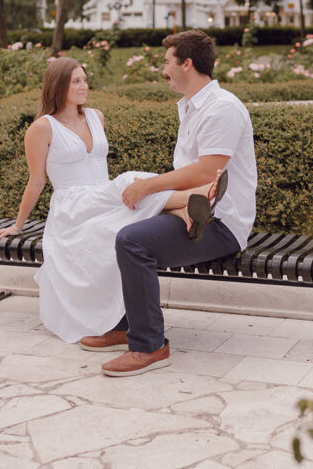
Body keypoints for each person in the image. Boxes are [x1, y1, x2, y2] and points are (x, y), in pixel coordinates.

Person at [0, 57, 223, 343]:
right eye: (76, 81)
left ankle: (187, 209)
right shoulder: (42, 128)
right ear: (57, 85)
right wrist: (18, 225)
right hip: (72, 207)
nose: (83, 85)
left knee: (131, 207)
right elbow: (36, 181)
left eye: (85, 79)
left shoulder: (97, 117)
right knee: (129, 182)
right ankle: (197, 196)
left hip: (101, 198)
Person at [79, 30, 258, 376]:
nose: (163, 69)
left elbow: (208, 169)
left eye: (166, 61)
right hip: (198, 210)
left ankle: (149, 345)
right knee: (114, 222)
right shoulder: (192, 107)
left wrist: (150, 187)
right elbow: (194, 173)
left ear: (186, 64)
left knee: (132, 241)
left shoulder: (222, 109)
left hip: (222, 225)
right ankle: (124, 325)